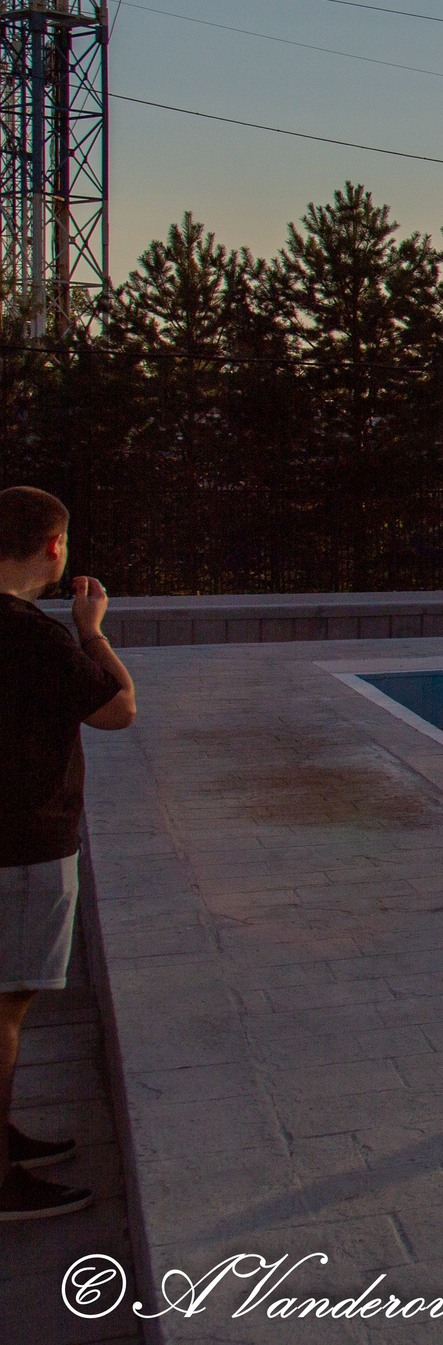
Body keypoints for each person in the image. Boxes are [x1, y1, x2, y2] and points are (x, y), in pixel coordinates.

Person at [0, 486, 135, 1223]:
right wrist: (92, 631)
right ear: (54, 546)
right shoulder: (35, 638)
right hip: (21, 844)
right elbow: (118, 708)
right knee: (5, 1006)